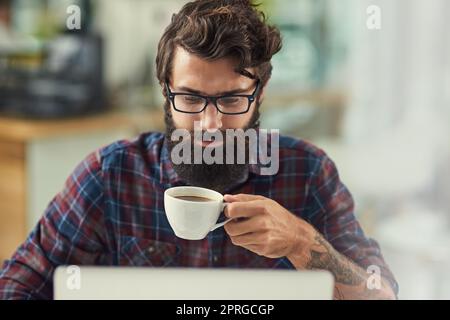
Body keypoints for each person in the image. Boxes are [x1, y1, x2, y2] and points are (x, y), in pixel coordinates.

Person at [0, 0, 397, 300]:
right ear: (165, 93)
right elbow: (18, 284)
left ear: (260, 95)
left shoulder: (308, 173)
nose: (210, 125)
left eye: (231, 100)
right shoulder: (110, 175)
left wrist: (300, 242)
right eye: (190, 99)